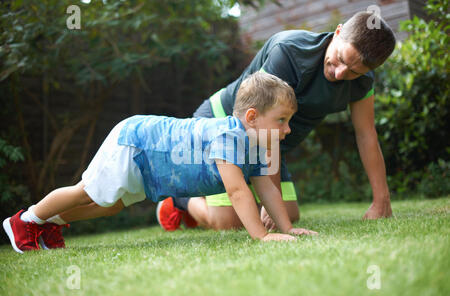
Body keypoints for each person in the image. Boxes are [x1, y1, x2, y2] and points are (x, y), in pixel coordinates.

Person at [2, 72, 318, 254]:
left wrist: (288, 227)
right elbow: (238, 192)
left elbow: (267, 190)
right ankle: (25, 220)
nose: (288, 130)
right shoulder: (229, 136)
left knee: (111, 205)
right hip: (137, 144)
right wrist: (261, 237)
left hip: (151, 169)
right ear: (252, 117)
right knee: (87, 191)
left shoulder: (262, 145)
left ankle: (48, 224)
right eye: (281, 120)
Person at [155, 11, 397, 232]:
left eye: (354, 71)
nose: (340, 74)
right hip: (224, 124)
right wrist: (272, 202)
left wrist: (381, 200)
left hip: (268, 142)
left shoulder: (362, 82)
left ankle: (200, 205)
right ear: (337, 32)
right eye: (341, 59)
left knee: (288, 214)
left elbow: (366, 134)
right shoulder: (289, 51)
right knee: (230, 222)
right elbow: (263, 122)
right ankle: (179, 200)